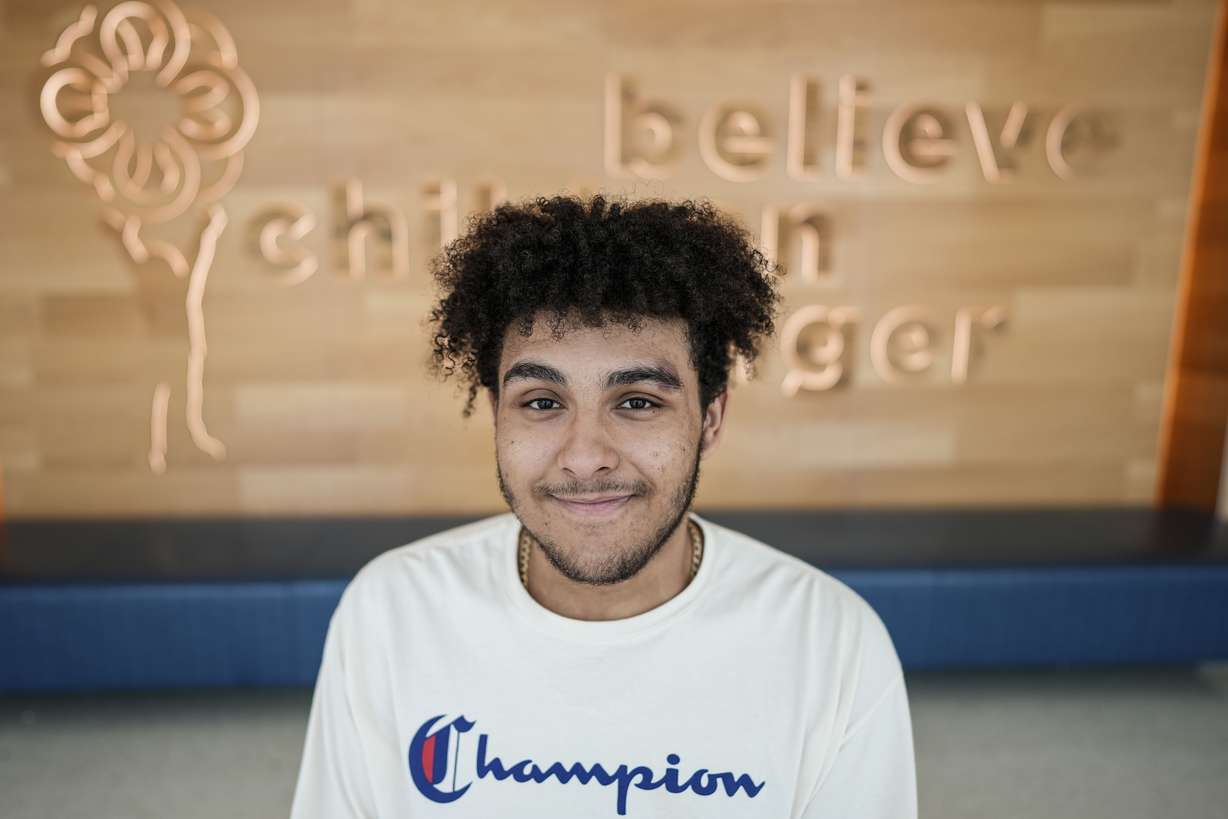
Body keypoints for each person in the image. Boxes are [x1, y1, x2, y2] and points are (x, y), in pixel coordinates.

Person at [289, 193, 917, 818]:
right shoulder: (393, 611)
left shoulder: (828, 641)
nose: (585, 455)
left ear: (710, 420)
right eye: (541, 402)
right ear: (495, 416)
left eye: (638, 401)